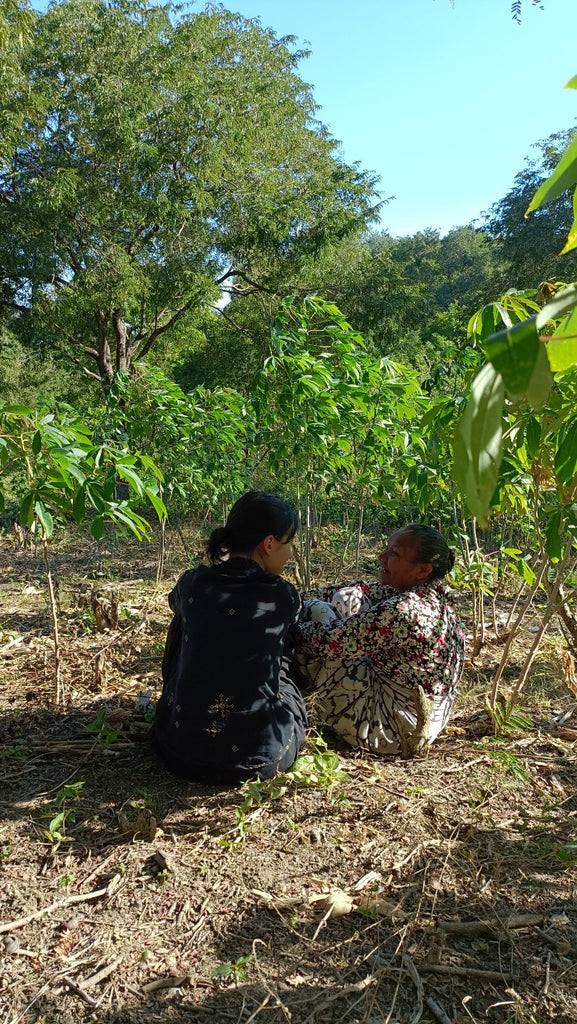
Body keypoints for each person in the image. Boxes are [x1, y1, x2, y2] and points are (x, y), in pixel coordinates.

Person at [150, 491, 307, 783]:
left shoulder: (193, 583)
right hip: (264, 759)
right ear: (269, 544)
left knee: (184, 618)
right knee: (283, 651)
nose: (290, 553)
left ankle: (183, 707)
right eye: (289, 543)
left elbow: (177, 604)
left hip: (179, 752)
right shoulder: (283, 596)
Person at [295, 524, 464, 755]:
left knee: (317, 612)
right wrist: (289, 595)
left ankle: (303, 702)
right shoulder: (435, 595)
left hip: (390, 727)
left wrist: (289, 625)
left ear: (423, 571)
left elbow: (330, 642)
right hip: (422, 714)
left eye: (393, 554)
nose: (381, 557)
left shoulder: (406, 611)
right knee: (349, 597)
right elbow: (358, 589)